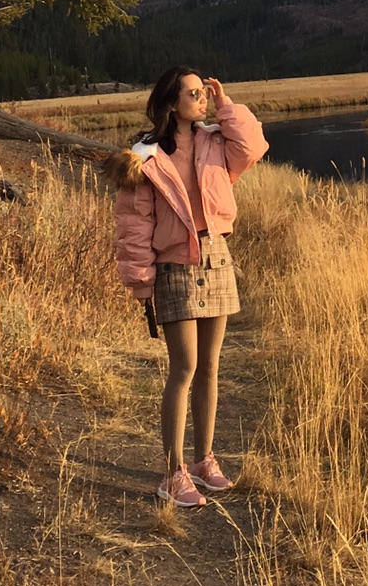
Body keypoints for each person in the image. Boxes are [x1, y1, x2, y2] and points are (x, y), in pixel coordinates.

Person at [111, 67, 268, 506]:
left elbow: (254, 146)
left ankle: (204, 461)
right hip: (174, 269)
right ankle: (172, 472)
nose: (202, 98)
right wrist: (141, 282)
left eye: (204, 92)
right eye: (195, 93)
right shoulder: (143, 158)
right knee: (184, 369)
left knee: (211, 368)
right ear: (170, 103)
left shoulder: (216, 141)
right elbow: (134, 226)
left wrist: (226, 104)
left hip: (216, 258)